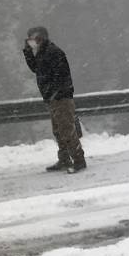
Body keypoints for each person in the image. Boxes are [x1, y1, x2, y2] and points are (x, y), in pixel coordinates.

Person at [23, 27, 87, 173]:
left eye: (32, 38)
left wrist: (55, 93)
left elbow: (61, 75)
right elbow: (36, 68)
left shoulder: (53, 52)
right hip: (53, 98)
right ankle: (64, 159)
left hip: (60, 98)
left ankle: (79, 160)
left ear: (40, 38)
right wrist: (28, 52)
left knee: (66, 130)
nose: (31, 41)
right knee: (58, 130)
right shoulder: (42, 52)